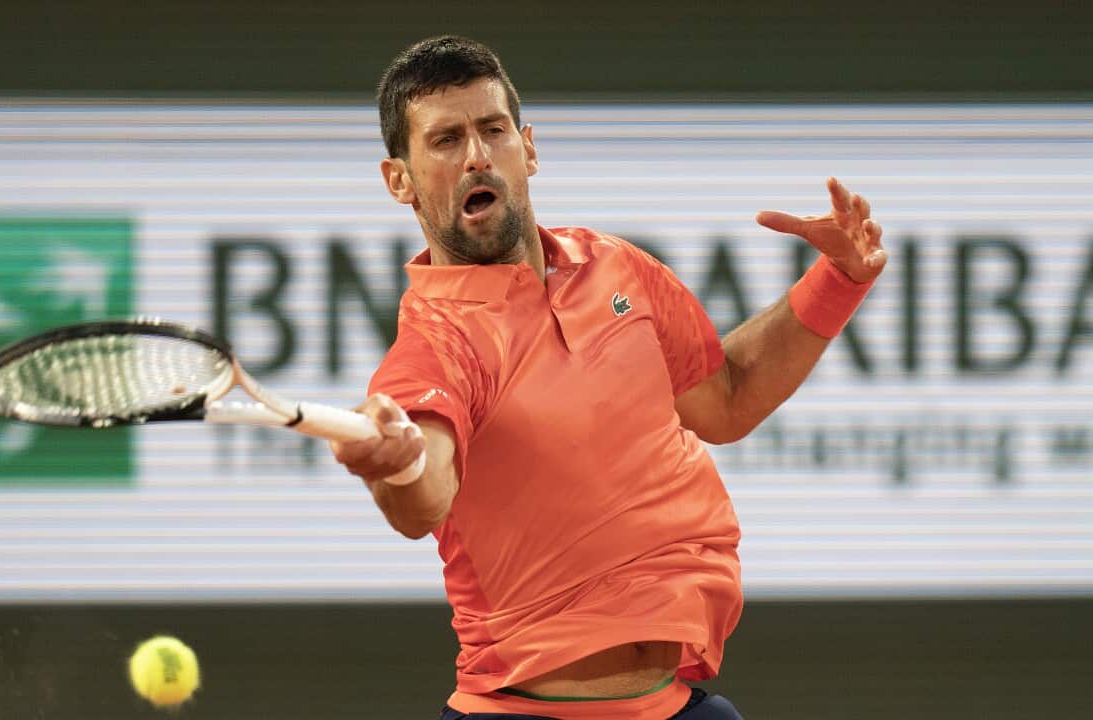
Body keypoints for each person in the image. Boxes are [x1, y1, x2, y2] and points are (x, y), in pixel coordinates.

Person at [331, 35, 886, 720]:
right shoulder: (438, 341)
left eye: (492, 130)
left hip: (677, 707)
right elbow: (425, 493)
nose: (477, 155)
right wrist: (398, 466)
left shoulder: (616, 268)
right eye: (445, 140)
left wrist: (839, 281)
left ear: (527, 148)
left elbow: (728, 398)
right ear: (400, 180)